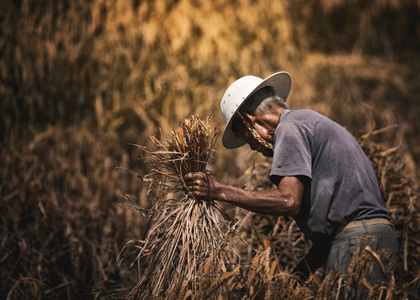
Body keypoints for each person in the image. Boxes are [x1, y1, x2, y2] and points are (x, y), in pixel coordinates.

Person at [184, 72, 399, 294]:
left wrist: (219, 191)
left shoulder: (288, 128)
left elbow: (288, 201)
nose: (252, 147)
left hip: (357, 244)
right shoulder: (309, 121)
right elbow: (333, 232)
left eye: (245, 137)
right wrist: (296, 277)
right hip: (378, 240)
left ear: (249, 122)